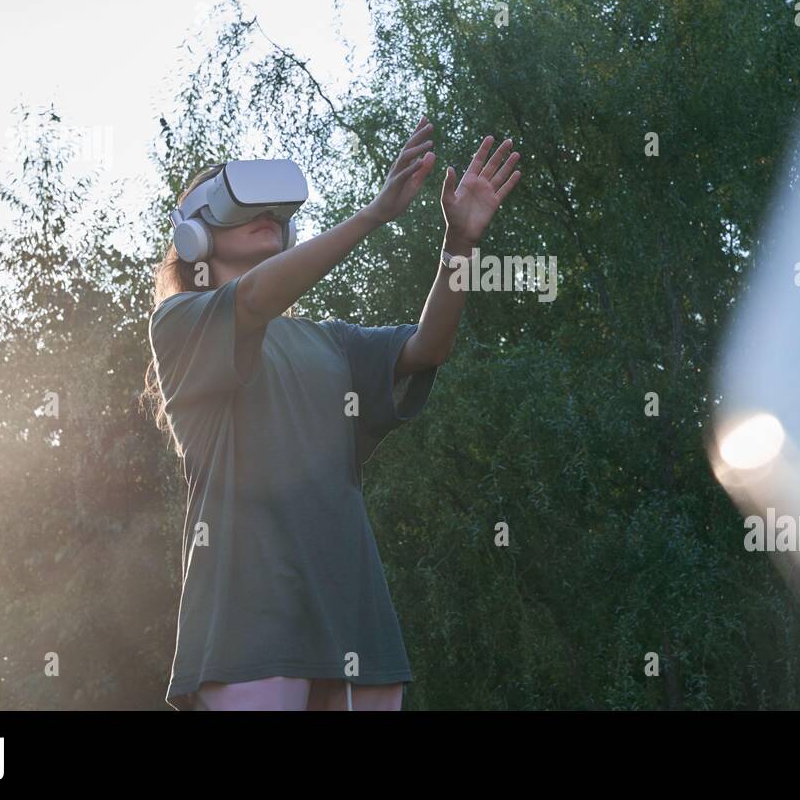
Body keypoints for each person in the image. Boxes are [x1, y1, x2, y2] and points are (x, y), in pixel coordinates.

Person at [142, 116, 521, 710]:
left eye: (276, 210)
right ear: (194, 237)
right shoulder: (180, 323)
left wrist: (461, 243)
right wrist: (373, 214)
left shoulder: (331, 341)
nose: (268, 216)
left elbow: (427, 347)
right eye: (240, 206)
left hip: (353, 608)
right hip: (249, 618)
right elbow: (257, 297)